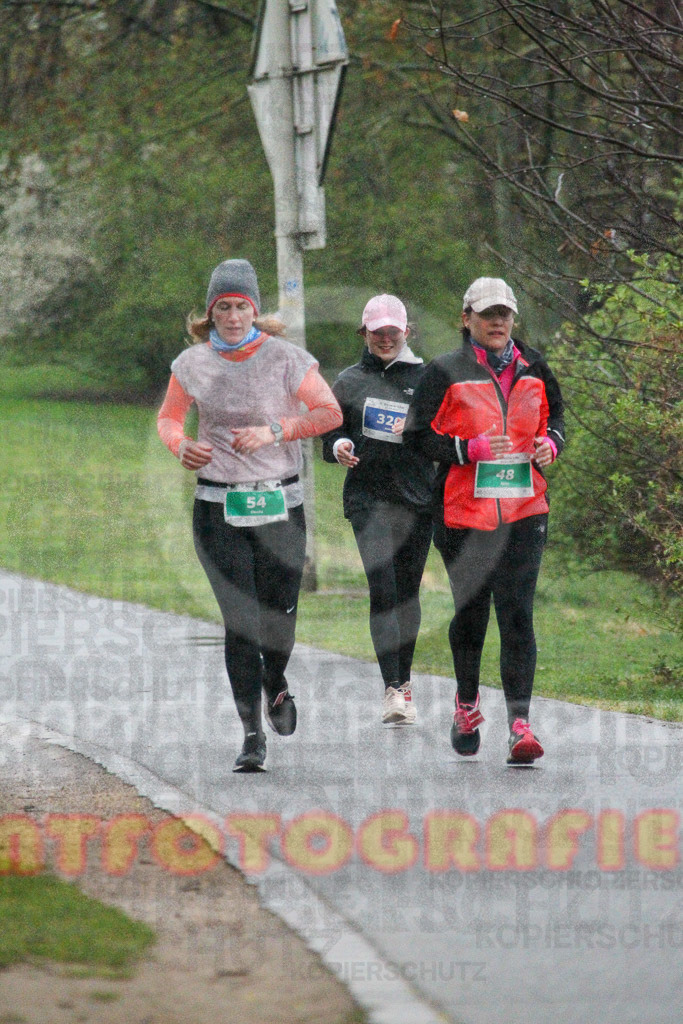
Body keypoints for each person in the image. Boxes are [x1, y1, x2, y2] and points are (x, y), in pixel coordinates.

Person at [157, 258, 342, 772]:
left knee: (278, 616)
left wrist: (275, 431)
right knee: (240, 622)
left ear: (254, 310)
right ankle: (251, 735)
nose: (233, 317)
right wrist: (181, 445)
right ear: (210, 313)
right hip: (218, 505)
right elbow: (170, 418)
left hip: (278, 503)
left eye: (241, 306)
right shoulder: (191, 363)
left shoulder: (287, 358)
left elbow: (329, 413)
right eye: (223, 307)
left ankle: (275, 682)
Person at [406, 277, 565, 763]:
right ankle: (467, 702)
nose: (498, 322)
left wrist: (550, 444)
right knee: (472, 614)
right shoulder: (444, 371)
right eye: (488, 314)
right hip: (463, 515)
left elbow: (556, 417)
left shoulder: (535, 365)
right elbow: (416, 436)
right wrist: (463, 449)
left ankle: (520, 725)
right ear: (466, 318)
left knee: (517, 613)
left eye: (506, 315)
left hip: (524, 510)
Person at [322, 294, 434, 725]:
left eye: (392, 331)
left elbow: (441, 434)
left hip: (418, 498)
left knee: (406, 592)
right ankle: (391, 687)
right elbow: (330, 433)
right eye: (376, 332)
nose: (385, 339)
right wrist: (339, 445)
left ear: (407, 332)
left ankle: (402, 683)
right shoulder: (349, 381)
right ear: (364, 334)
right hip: (368, 499)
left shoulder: (427, 379)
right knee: (383, 587)